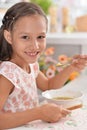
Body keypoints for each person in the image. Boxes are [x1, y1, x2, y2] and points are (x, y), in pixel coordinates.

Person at [0, 2, 87, 129]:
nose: (35, 45)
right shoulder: (7, 74)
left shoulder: (31, 65)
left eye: (40, 37)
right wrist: (39, 112)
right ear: (9, 37)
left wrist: (71, 68)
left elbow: (48, 86)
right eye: (25, 37)